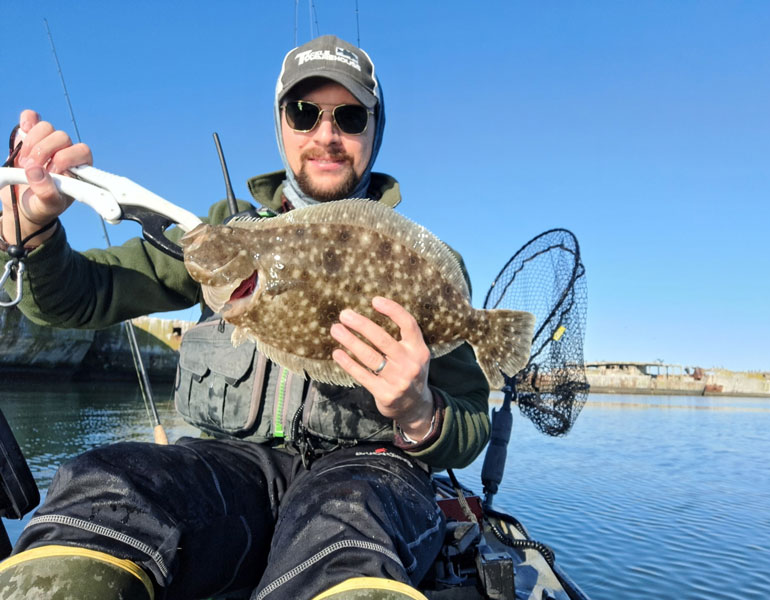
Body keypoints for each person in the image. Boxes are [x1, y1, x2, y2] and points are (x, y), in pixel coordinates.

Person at [0, 35, 490, 600]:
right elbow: (83, 296)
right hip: (231, 467)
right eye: (304, 113)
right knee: (104, 493)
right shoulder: (224, 236)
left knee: (348, 548)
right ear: (281, 122)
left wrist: (418, 411)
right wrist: (30, 232)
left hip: (368, 475)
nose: (326, 135)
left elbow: (470, 420)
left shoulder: (421, 266)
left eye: (349, 116)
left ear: (375, 131)